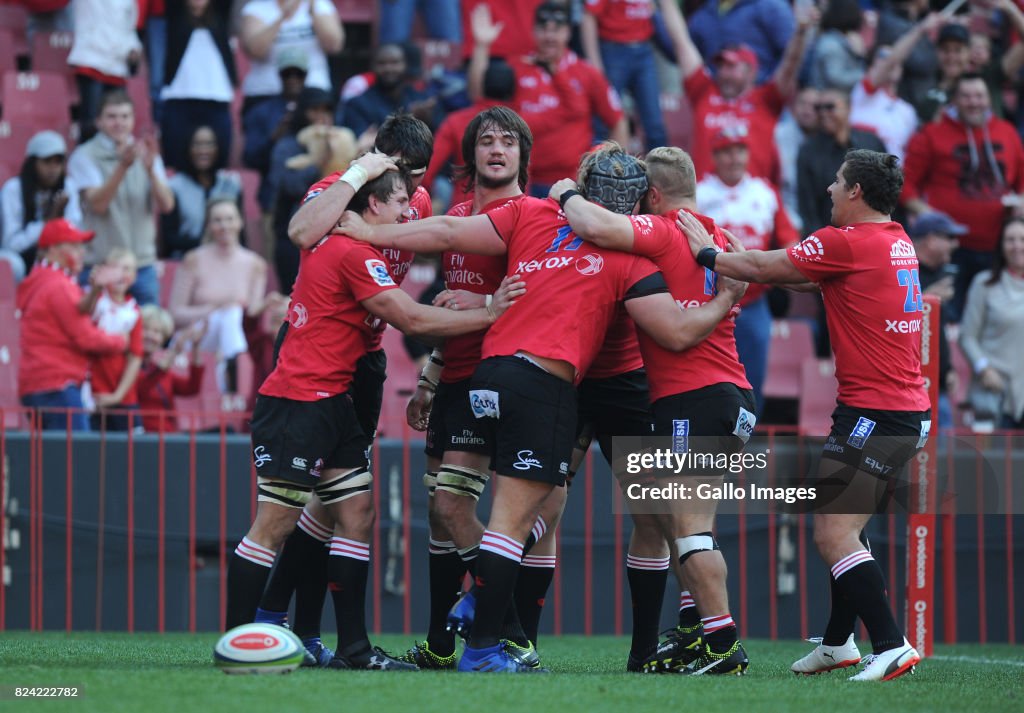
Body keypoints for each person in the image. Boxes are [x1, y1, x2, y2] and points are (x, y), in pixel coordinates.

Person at [336, 140, 746, 673]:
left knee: (651, 517)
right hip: (560, 380)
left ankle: (646, 646)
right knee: (543, 509)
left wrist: (369, 234)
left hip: (598, 380)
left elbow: (450, 235)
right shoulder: (625, 242)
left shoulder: (604, 225)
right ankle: (511, 639)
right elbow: (452, 234)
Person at [224, 163, 525, 672]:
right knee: (274, 523)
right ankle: (235, 642)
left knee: (357, 513)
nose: (411, 209)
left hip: (335, 398)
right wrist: (491, 313)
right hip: (300, 399)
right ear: (373, 205)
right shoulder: (349, 250)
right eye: (402, 200)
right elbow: (412, 318)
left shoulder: (355, 241)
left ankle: (353, 650)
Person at [679, 148, 930, 681]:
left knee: (832, 535)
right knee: (849, 530)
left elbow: (770, 268)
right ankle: (839, 644)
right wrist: (747, 258)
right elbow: (802, 275)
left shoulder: (845, 240)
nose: (829, 191)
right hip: (901, 409)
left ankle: (890, 643)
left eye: (838, 182)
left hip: (875, 413)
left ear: (857, 191)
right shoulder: (894, 240)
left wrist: (709, 255)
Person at [551, 145, 754, 676]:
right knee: (689, 526)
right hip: (729, 396)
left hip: (693, 401)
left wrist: (566, 191)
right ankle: (695, 634)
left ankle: (722, 644)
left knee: (687, 531)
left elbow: (598, 227)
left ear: (654, 194)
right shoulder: (717, 236)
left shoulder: (664, 230)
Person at [468, 2, 629, 197]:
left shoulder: (587, 73)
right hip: (521, 182)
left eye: (557, 29)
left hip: (572, 183)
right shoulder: (516, 67)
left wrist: (615, 172)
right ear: (533, 31)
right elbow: (479, 98)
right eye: (543, 29)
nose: (550, 36)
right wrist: (481, 47)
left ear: (569, 32)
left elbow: (618, 121)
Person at [901, 73, 1024, 320]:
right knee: (948, 317)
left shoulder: (1007, 132)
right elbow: (905, 186)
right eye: (966, 96)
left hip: (998, 248)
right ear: (954, 100)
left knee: (996, 319)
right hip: (950, 249)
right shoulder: (932, 133)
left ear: (989, 99)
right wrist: (931, 217)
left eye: (979, 96)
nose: (973, 102)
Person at [698, 127, 799, 415]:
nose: (734, 158)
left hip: (754, 303)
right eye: (726, 152)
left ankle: (746, 445)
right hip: (709, 299)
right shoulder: (700, 193)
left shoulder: (765, 192)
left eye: (739, 150)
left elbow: (790, 240)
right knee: (709, 380)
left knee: (753, 381)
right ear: (715, 156)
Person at [664, 0, 813, 181]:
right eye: (721, 66)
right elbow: (681, 42)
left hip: (755, 201)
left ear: (751, 71)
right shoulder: (703, 92)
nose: (724, 73)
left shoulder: (766, 100)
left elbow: (791, 63)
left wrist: (801, 31)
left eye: (732, 66)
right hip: (707, 200)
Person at [16, 219, 127, 431]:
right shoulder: (59, 285)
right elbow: (86, 337)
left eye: (81, 246)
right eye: (74, 246)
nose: (81, 252)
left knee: (50, 460)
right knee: (74, 459)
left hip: (37, 385)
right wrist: (121, 341)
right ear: (53, 249)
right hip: (58, 386)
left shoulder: (39, 278)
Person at [67, 91, 176, 306]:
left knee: (147, 333)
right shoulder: (84, 155)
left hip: (142, 265)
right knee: (100, 334)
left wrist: (151, 171)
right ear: (98, 121)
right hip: (101, 263)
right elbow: (98, 205)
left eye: (125, 116)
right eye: (112, 117)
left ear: (134, 120)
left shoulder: (147, 154)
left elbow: (167, 206)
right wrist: (122, 168)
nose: (119, 123)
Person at [167, 199, 271, 391]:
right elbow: (175, 313)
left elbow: (253, 313)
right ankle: (236, 380)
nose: (224, 226)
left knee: (232, 315)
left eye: (230, 219)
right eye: (217, 220)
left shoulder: (256, 264)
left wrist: (268, 305)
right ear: (208, 225)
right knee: (230, 314)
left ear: (240, 222)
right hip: (197, 334)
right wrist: (213, 309)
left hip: (237, 332)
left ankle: (233, 370)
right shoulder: (193, 259)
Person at [959, 217, 1024, 430]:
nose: (1017, 246)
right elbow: (967, 337)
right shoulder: (984, 284)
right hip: (994, 394)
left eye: (1022, 239)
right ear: (1001, 246)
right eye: (1010, 239)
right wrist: (984, 368)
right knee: (995, 463)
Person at [581, 0, 672, 151]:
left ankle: (660, 172)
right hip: (613, 49)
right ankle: (596, 171)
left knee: (655, 126)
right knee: (603, 122)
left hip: (644, 49)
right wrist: (595, 65)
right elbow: (588, 16)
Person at [159, 0, 237, 172]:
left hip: (217, 97)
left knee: (219, 160)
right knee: (175, 159)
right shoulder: (176, 16)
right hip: (178, 96)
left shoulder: (220, 16)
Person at [797, 87, 885, 236]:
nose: (823, 113)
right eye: (818, 108)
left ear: (848, 109)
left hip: (873, 235)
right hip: (829, 241)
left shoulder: (871, 143)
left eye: (830, 107)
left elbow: (886, 192)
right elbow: (807, 206)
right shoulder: (808, 151)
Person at [243, 46, 310, 231]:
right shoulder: (261, 112)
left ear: (306, 76)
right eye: (287, 74)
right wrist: (274, 138)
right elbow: (250, 158)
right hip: (273, 199)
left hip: (314, 199)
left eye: (298, 74)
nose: (293, 79)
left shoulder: (319, 108)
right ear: (279, 75)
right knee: (273, 257)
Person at [909, 212, 965, 429]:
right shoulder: (904, 271)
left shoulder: (940, 275)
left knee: (940, 461)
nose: (955, 244)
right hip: (909, 391)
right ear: (931, 240)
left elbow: (937, 332)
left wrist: (948, 368)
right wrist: (929, 297)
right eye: (949, 238)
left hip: (938, 389)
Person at [1, 130, 82, 280]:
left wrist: (59, 222)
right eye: (46, 161)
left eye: (58, 162)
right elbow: (11, 244)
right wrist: (47, 222)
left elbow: (74, 233)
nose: (53, 168)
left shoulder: (68, 186)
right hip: (20, 255)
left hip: (52, 252)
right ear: (32, 163)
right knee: (13, 264)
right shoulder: (13, 189)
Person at [239, 0, 344, 115]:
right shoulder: (256, 8)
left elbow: (334, 46)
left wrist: (312, 8)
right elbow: (255, 50)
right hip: (265, 93)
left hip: (313, 93)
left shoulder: (320, 4)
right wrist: (283, 15)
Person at [161, 126, 243, 259]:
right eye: (197, 144)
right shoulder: (174, 186)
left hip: (226, 258)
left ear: (219, 148)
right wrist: (204, 244)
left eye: (209, 144)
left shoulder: (231, 184)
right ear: (187, 148)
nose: (203, 150)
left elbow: (240, 232)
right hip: (186, 259)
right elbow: (169, 238)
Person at [66, 0, 142, 139]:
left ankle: (116, 158)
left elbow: (129, 29)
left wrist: (133, 49)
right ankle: (87, 159)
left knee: (120, 123)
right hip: (91, 61)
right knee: (91, 123)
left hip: (118, 67)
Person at [88, 248, 144, 431]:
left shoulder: (134, 312)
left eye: (127, 269)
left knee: (132, 455)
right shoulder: (93, 301)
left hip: (124, 398)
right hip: (91, 395)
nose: (121, 274)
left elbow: (135, 357)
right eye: (115, 268)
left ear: (134, 276)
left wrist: (118, 396)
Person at [340, 44, 438, 137]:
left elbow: (440, 137)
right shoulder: (357, 104)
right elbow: (363, 144)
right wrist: (408, 119)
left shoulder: (421, 99)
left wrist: (427, 121)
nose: (388, 68)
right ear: (372, 66)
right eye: (382, 63)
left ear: (405, 65)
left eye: (395, 62)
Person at [686, 0, 795, 84]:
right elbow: (679, 49)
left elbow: (792, 53)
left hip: (760, 102)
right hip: (719, 101)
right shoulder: (708, 10)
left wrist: (769, 88)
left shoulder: (771, 6)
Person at [135, 306, 207, 433]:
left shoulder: (161, 371)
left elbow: (192, 387)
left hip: (170, 436)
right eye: (145, 329)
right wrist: (174, 352)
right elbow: (144, 386)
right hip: (146, 439)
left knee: (227, 431)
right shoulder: (128, 367)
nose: (150, 336)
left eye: (157, 332)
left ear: (163, 339)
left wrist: (195, 347)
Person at [807, 0, 867, 94]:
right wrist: (866, 77)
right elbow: (836, 79)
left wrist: (859, 56)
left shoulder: (840, 40)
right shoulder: (831, 44)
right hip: (826, 102)